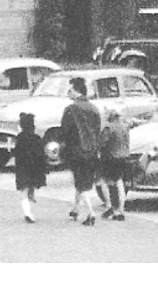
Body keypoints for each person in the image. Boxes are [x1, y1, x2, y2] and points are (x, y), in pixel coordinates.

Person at [59, 76, 102, 225]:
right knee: (82, 180)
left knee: (80, 182)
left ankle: (91, 213)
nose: (68, 92)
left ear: (76, 91)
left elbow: (65, 130)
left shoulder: (70, 110)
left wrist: (63, 147)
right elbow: (98, 130)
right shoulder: (94, 109)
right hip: (92, 151)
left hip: (76, 150)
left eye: (70, 89)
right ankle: (75, 208)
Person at [95, 106, 132, 221]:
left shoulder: (108, 128)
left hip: (111, 158)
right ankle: (121, 209)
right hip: (124, 158)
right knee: (119, 182)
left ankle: (109, 206)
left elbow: (102, 143)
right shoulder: (125, 127)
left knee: (103, 181)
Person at [12, 112, 46, 224]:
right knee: (31, 187)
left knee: (23, 190)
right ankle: (30, 202)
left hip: (22, 168)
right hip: (34, 168)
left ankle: (27, 212)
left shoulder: (20, 138)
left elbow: (16, 152)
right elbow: (41, 155)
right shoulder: (37, 138)